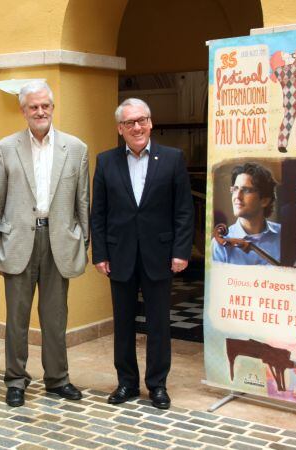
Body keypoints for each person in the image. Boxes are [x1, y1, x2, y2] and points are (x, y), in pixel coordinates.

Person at [0, 80, 89, 407]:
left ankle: (58, 379)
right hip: (17, 241)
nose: (40, 111)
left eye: (45, 105)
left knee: (55, 317)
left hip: (59, 241)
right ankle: (16, 380)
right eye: (34, 107)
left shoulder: (76, 148)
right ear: (23, 110)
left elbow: (82, 202)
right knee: (16, 318)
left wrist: (82, 242)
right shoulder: (6, 147)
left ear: (52, 107)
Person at [91, 98, 194, 409]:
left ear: (150, 123)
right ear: (120, 129)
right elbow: (99, 213)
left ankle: (157, 385)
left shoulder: (173, 159)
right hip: (119, 255)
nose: (137, 127)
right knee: (122, 323)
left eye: (142, 120)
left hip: (159, 255)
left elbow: (184, 212)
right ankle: (127, 383)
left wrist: (180, 251)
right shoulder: (106, 161)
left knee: (159, 325)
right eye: (129, 122)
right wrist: (100, 253)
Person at [211, 162, 281, 266]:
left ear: (265, 200)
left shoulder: (284, 235)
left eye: (246, 190)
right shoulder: (220, 245)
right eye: (235, 189)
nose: (237, 197)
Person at [270, 49, 296, 152]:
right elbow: (291, 72)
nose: (288, 55)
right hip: (290, 101)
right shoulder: (279, 71)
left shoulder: (293, 65)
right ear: (280, 60)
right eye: (285, 54)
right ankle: (282, 145)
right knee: (287, 122)